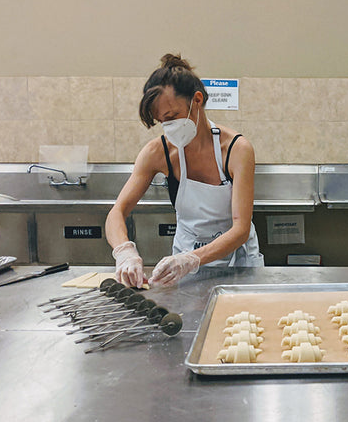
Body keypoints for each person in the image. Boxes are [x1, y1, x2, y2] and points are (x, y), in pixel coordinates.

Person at [105, 53, 264, 288]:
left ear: (197, 100)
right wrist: (124, 251)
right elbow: (117, 212)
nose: (169, 127)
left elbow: (240, 229)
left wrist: (192, 260)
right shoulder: (157, 153)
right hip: (183, 271)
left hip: (238, 265)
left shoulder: (236, 149)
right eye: (162, 121)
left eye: (172, 117)